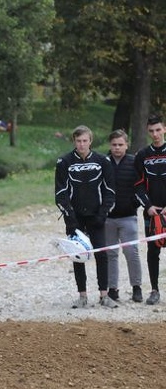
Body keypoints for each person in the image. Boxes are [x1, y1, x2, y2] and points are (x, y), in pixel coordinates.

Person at [55, 125, 117, 309]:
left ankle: (104, 295)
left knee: (101, 255)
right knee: (78, 256)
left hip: (96, 216)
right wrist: (70, 216)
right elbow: (60, 193)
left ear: (90, 141)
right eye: (78, 141)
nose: (82, 145)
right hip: (75, 217)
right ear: (74, 141)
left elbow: (110, 191)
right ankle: (82, 296)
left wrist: (103, 213)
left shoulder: (103, 161)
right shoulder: (64, 162)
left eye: (85, 141)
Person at [105, 129, 143, 302]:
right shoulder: (103, 162)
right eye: (114, 145)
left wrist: (134, 203)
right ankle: (112, 289)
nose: (117, 148)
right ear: (110, 145)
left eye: (120, 145)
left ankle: (137, 287)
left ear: (126, 145)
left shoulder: (134, 162)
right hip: (108, 218)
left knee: (131, 252)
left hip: (128, 216)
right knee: (111, 254)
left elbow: (141, 186)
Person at [133, 114, 166, 305]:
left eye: (158, 130)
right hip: (152, 212)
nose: (155, 134)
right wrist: (148, 206)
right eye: (152, 131)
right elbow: (137, 184)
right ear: (147, 131)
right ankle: (154, 290)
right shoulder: (142, 155)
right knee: (153, 251)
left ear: (164, 129)